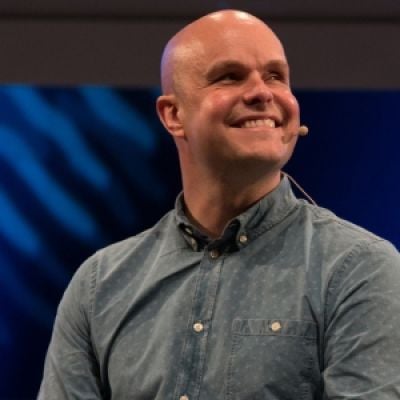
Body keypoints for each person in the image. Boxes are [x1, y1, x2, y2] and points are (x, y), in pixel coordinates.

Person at [38, 9, 400, 400]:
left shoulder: (359, 268)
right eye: (230, 76)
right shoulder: (99, 285)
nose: (263, 92)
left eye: (276, 76)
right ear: (174, 114)